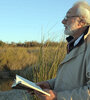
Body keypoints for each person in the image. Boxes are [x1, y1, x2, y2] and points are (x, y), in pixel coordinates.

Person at [31, 1, 90, 100]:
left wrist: (57, 96)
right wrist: (49, 84)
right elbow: (72, 79)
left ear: (82, 22)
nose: (63, 21)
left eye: (67, 17)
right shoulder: (75, 43)